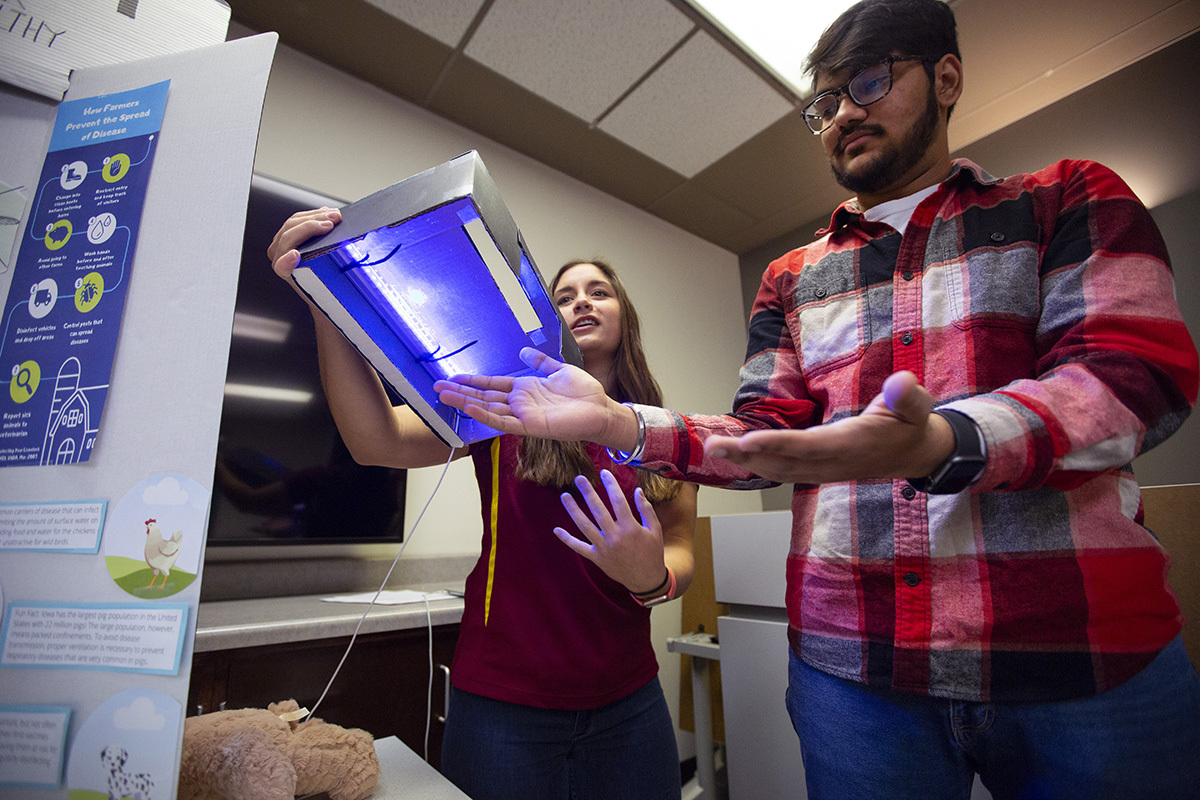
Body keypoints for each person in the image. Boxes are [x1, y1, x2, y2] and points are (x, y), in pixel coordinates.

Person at [434, 1, 1200, 797]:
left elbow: (1131, 380)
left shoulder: (1068, 199)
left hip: (1078, 658)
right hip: (854, 669)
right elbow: (761, 435)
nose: (843, 115)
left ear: (947, 78)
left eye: (868, 82)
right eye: (824, 103)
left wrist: (947, 441)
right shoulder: (790, 277)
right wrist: (621, 424)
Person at [268, 213, 698, 800]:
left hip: (629, 700)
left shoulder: (662, 435)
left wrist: (652, 580)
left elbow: (680, 549)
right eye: (564, 296)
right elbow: (376, 441)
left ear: (627, 317)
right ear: (548, 317)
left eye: (599, 292)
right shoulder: (505, 409)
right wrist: (325, 305)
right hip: (504, 705)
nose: (582, 303)